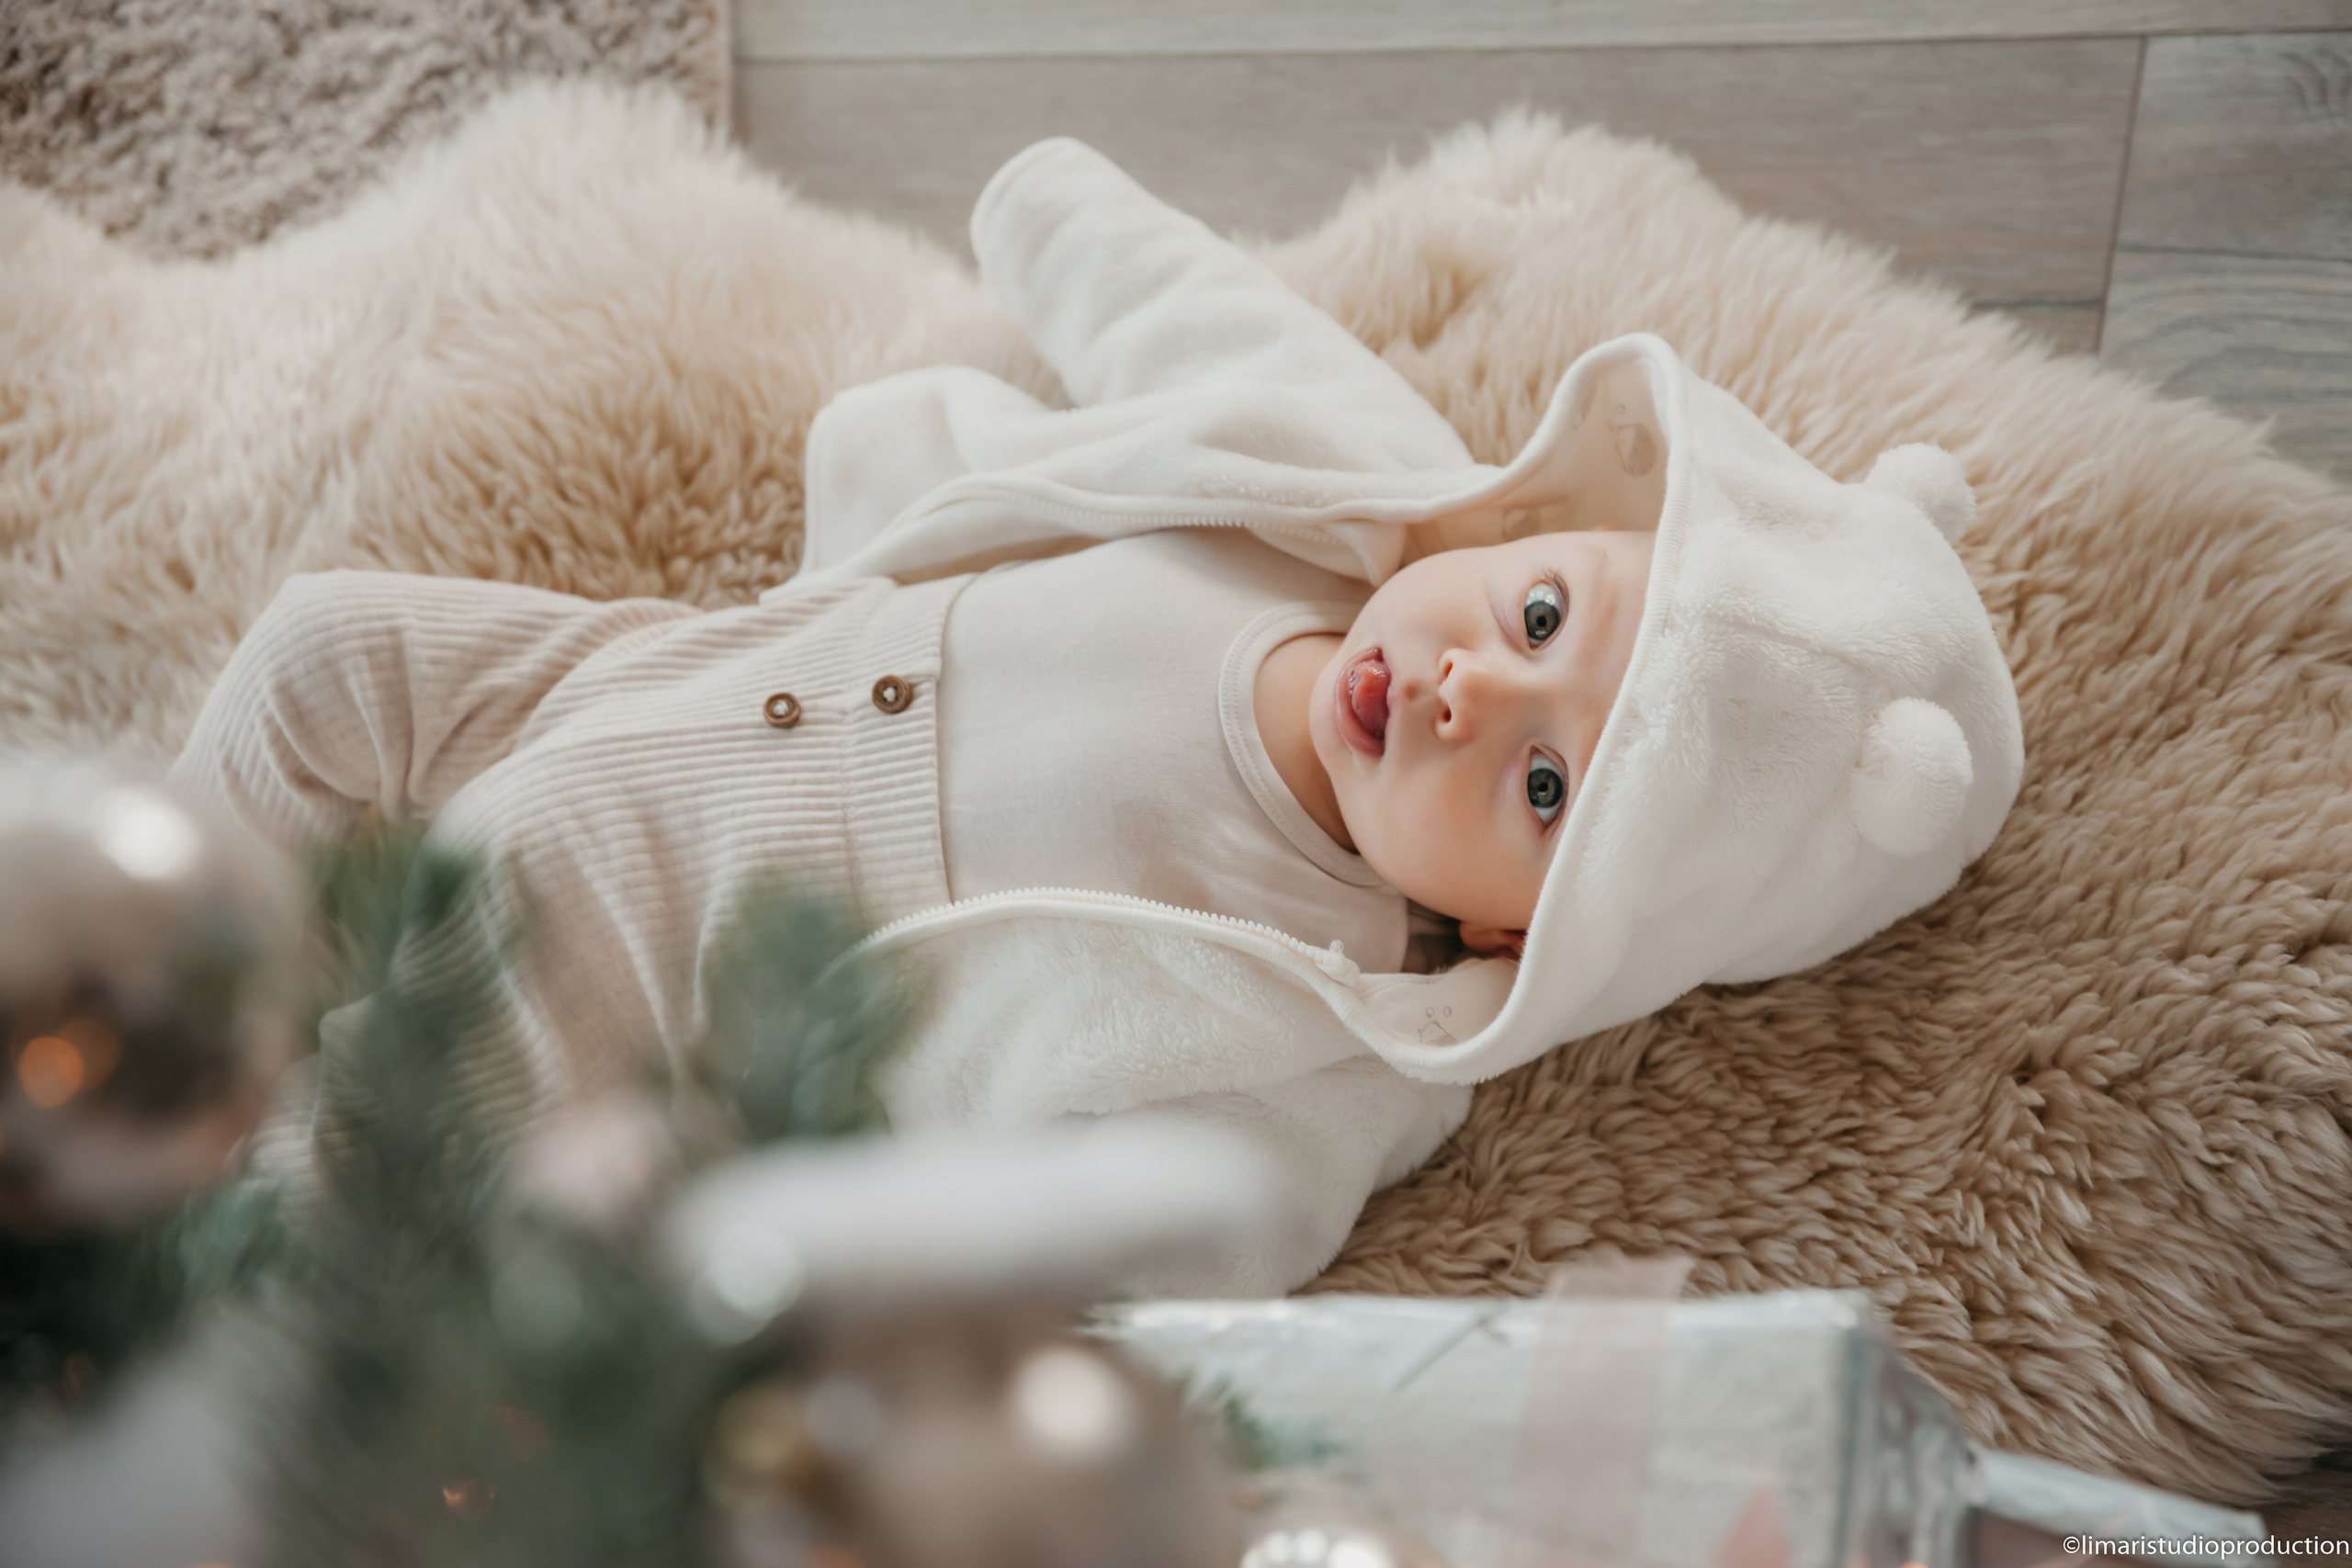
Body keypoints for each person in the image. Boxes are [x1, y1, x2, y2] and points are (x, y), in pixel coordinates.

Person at [167, 139, 2024, 1295]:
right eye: (1536, 611)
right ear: (1528, 530)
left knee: (309, 1224)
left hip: (623, 998)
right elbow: (1215, 332)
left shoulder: (1328, 1026)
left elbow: (1176, 1223)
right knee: (320, 653)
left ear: (1532, 935)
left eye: (1541, 780)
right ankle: (157, 951)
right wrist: (1060, 218)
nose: (1467, 685)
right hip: (625, 684)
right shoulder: (1336, 506)